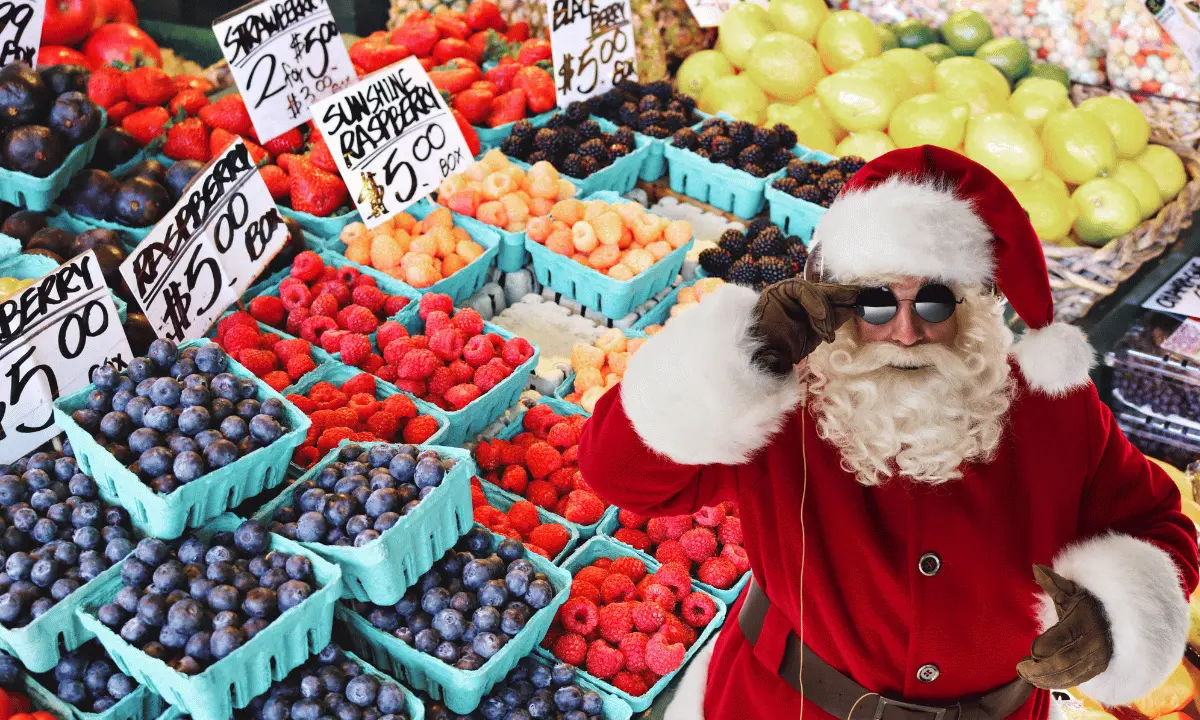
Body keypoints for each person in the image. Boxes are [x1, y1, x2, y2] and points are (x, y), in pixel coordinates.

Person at [577, 145, 1200, 720]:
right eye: (877, 303)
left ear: (976, 302)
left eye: (933, 303)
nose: (905, 333)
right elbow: (617, 475)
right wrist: (738, 360)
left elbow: (1159, 524)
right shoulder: (782, 394)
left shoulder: (1053, 406)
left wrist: (1115, 617)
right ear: (840, 301)